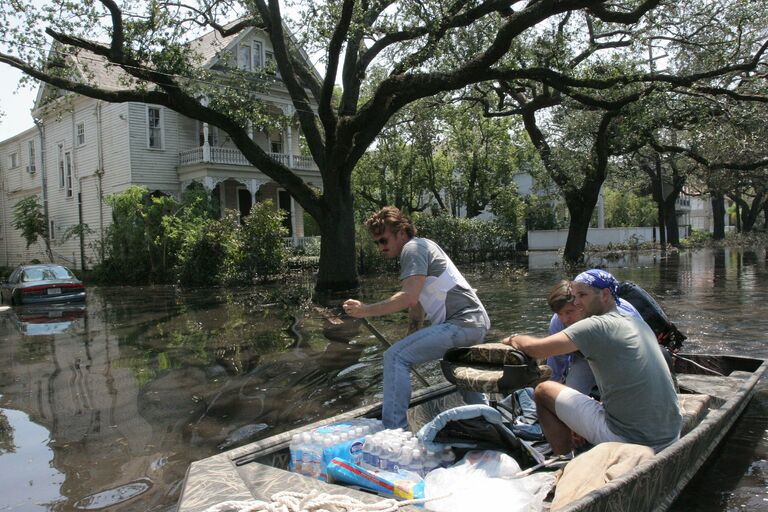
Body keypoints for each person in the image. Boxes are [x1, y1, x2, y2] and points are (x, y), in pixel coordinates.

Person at [502, 269, 681, 455]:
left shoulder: (595, 325)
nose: (577, 302)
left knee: (543, 391)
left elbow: (535, 349)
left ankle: (564, 460)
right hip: (670, 434)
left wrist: (513, 338)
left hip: (630, 439)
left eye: (582, 295)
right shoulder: (634, 320)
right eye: (575, 295)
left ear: (605, 294)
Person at [343, 207, 490, 429]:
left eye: (383, 240)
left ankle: (394, 432)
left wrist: (365, 309)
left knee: (394, 357)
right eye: (377, 243)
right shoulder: (423, 247)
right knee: (461, 377)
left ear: (401, 232)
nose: (381, 248)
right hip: (474, 324)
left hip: (462, 324)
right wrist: (409, 342)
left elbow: (408, 298)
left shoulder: (412, 248)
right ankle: (488, 423)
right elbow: (417, 308)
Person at [545, 277, 643, 397]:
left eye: (569, 312)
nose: (565, 319)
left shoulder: (614, 318)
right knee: (570, 394)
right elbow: (555, 365)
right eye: (560, 313)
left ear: (581, 305)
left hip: (621, 357)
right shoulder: (558, 323)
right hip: (586, 358)